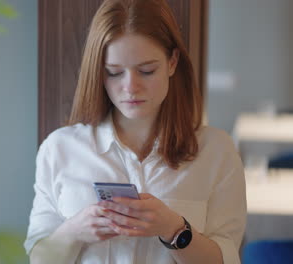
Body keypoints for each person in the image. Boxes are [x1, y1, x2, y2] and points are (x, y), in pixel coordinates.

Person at [25, 0, 246, 263]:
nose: (131, 87)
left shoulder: (216, 151)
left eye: (146, 70)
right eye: (115, 73)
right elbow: (39, 258)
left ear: (172, 62)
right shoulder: (60, 149)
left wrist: (174, 229)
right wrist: (75, 231)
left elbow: (226, 259)